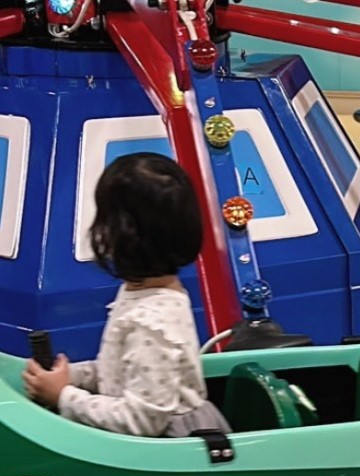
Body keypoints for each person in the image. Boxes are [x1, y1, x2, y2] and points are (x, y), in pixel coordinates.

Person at [22, 153, 232, 437]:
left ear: (121, 236)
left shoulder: (152, 321)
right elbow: (122, 369)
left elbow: (143, 420)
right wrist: (73, 376)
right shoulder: (145, 291)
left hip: (170, 448)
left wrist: (64, 396)